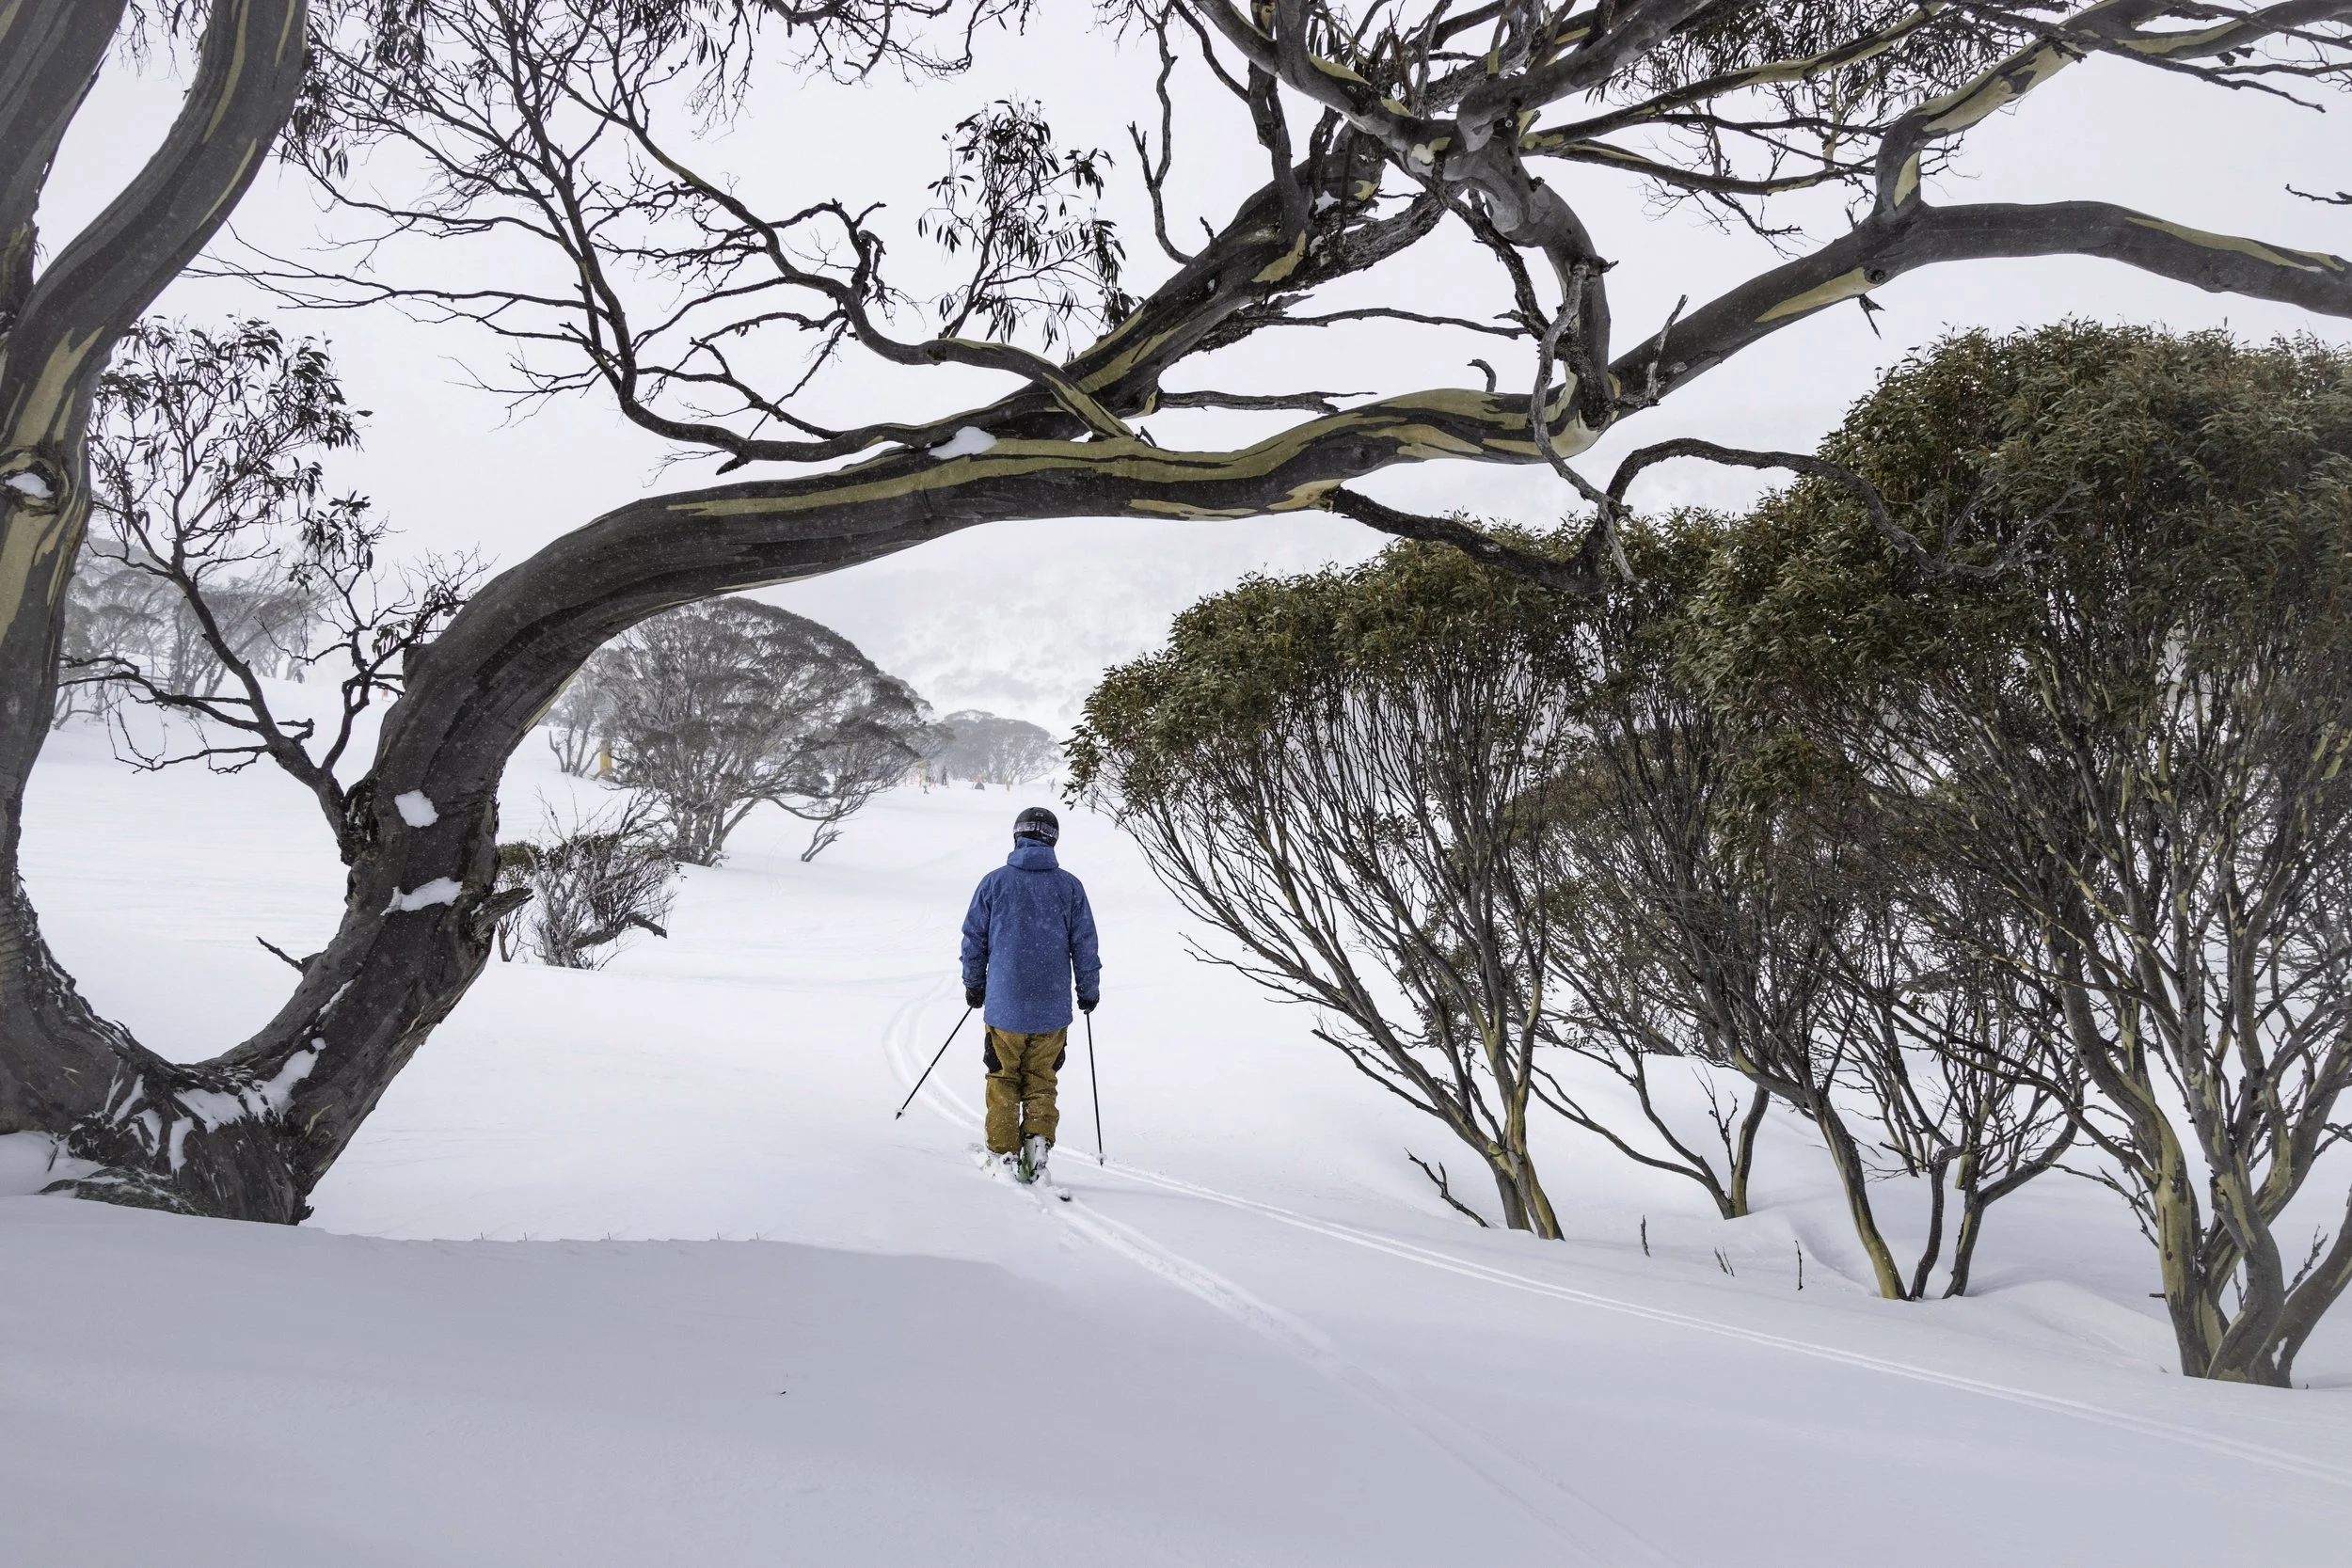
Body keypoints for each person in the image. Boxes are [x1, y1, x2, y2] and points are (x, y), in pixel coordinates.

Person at [960, 806, 1100, 1184]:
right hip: (1052, 1009)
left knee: (1004, 1076)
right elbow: (1084, 943)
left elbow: (975, 939)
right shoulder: (1069, 886)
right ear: (1053, 840)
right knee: (1041, 1078)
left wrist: (974, 984)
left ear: (1017, 837)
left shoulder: (994, 883)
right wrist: (1088, 990)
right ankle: (1037, 1144)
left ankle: (1003, 1152)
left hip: (1005, 1006)